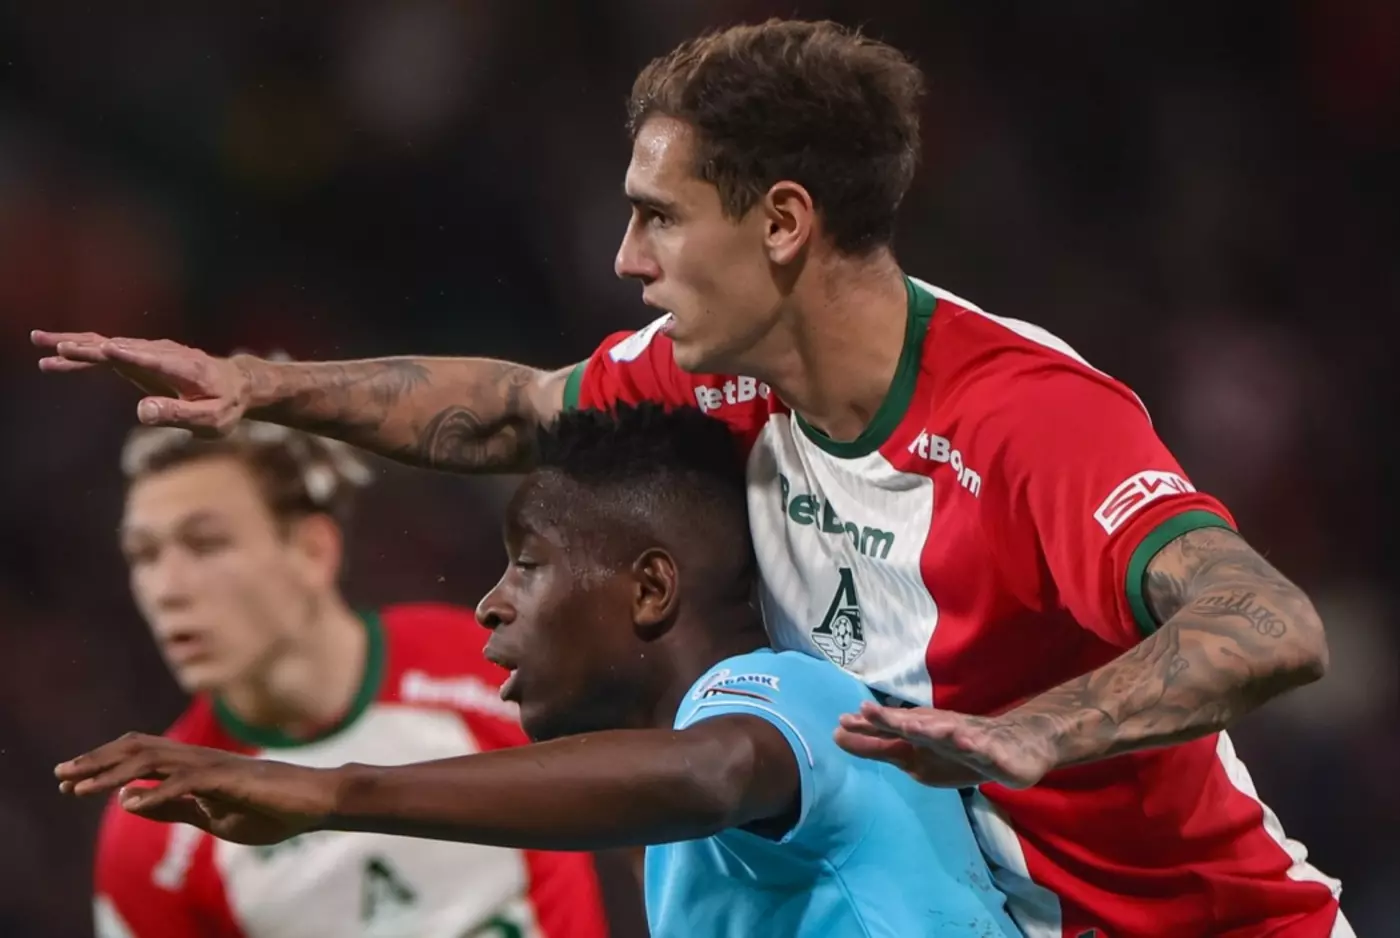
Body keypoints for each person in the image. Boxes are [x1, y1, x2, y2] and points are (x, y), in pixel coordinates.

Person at [34, 17, 1351, 938]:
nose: (624, 257)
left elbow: (1269, 621)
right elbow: (507, 410)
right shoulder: (710, 377)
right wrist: (258, 385)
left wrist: (1040, 732)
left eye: (659, 215)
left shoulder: (1023, 421)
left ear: (782, 222)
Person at [59, 404, 1023, 938]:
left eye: (527, 564)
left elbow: (712, 773)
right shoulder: (682, 842)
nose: (491, 603)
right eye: (142, 555)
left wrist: (329, 793)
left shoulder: (798, 695)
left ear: (650, 588)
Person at [91, 417, 611, 938]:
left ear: (313, 550)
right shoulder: (158, 825)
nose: (166, 588)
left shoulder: (491, 665)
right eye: (144, 554)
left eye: (206, 544)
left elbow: (644, 808)